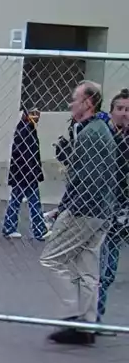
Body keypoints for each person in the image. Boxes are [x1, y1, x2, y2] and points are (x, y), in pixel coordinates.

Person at [41, 80, 120, 344]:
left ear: (87, 103)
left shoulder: (91, 134)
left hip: (85, 211)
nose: (70, 103)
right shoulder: (98, 129)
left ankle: (72, 315)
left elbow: (86, 179)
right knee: (87, 269)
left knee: (51, 259)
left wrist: (67, 209)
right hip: (100, 210)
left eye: (75, 99)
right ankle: (87, 323)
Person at [96, 88, 129, 326]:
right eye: (120, 109)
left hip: (125, 208)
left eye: (128, 110)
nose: (124, 114)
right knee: (105, 268)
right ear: (111, 111)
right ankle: (93, 317)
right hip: (108, 211)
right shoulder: (105, 136)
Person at [4, 108, 48, 241]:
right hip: (26, 174)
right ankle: (39, 230)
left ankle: (9, 227)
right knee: (34, 202)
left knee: (17, 200)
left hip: (22, 173)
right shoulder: (26, 130)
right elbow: (28, 155)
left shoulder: (25, 128)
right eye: (34, 114)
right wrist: (34, 173)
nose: (37, 117)